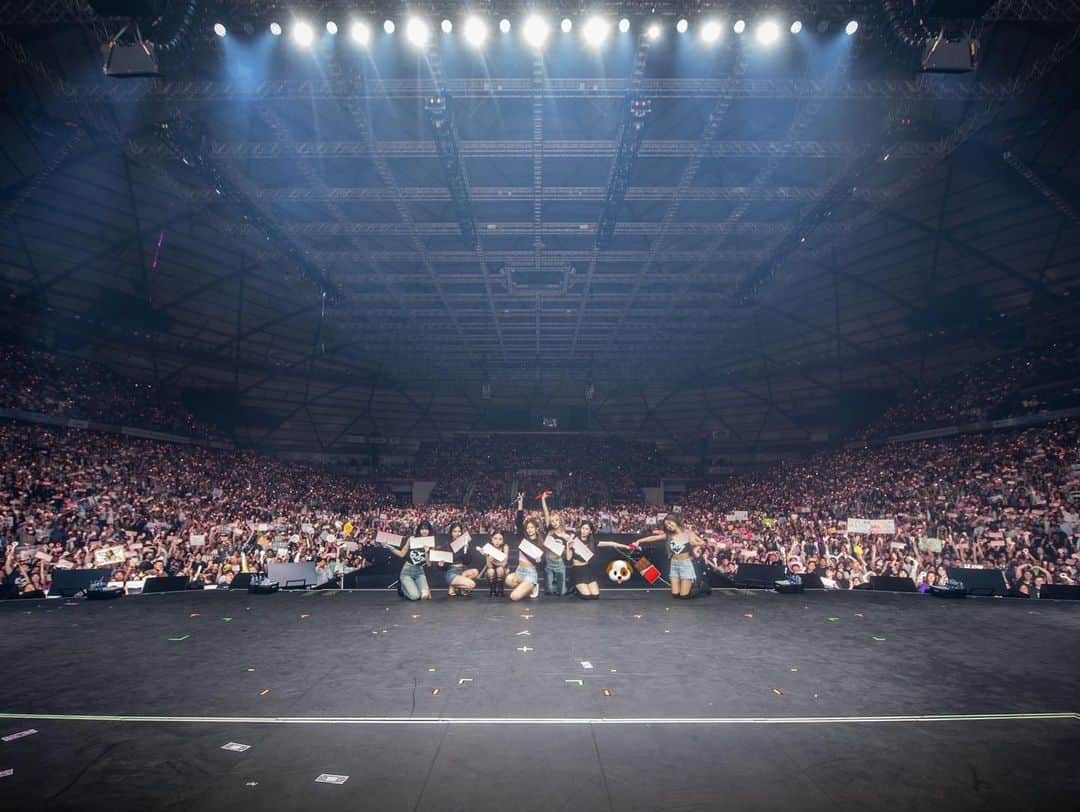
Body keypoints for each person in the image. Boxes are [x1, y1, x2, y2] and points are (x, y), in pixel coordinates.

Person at [632, 514, 706, 598]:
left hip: (685, 564)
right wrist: (639, 541)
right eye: (667, 525)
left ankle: (702, 588)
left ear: (676, 522)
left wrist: (695, 545)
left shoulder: (688, 533)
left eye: (670, 523)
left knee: (684, 596)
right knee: (675, 594)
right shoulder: (669, 536)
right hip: (674, 564)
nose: (669, 526)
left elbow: (703, 543)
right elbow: (653, 538)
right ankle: (689, 585)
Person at [505, 501, 543, 602]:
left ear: (536, 529)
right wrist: (520, 504)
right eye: (527, 528)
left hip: (530, 573)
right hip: (519, 571)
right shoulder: (523, 539)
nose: (529, 529)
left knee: (514, 596)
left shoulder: (539, 543)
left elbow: (543, 564)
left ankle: (532, 586)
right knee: (508, 580)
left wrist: (540, 560)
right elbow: (518, 522)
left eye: (531, 527)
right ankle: (528, 588)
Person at [389, 520, 433, 601]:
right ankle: (402, 588)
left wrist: (427, 552)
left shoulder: (431, 543)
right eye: (422, 529)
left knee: (425, 596)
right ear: (419, 530)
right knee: (415, 597)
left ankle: (415, 587)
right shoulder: (412, 539)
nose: (424, 531)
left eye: (426, 529)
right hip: (407, 571)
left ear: (429, 530)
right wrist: (389, 547)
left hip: (419, 572)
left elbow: (429, 564)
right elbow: (402, 554)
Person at [540, 491, 571, 596]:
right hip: (548, 562)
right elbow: (546, 513)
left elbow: (568, 556)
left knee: (561, 593)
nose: (554, 523)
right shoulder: (549, 530)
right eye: (552, 521)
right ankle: (553, 584)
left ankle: (566, 586)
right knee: (549, 591)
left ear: (560, 520)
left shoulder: (566, 535)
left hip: (559, 563)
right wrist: (543, 499)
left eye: (556, 520)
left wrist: (567, 543)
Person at [442, 522, 479, 597]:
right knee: (472, 585)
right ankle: (454, 585)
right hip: (451, 572)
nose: (457, 533)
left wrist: (466, 549)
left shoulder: (464, 543)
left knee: (475, 572)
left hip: (462, 570)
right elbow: (443, 567)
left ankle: (453, 586)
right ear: (451, 533)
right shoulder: (446, 545)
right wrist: (441, 564)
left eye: (459, 531)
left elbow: (467, 561)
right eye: (455, 531)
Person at [480, 531, 508, 597]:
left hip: (502, 570)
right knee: (491, 571)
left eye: (500, 539)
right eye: (495, 538)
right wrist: (487, 556)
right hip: (491, 570)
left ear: (503, 541)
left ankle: (500, 590)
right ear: (492, 539)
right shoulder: (488, 547)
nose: (497, 541)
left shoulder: (505, 547)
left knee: (500, 569)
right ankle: (492, 590)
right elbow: (489, 566)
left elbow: (504, 563)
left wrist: (494, 560)